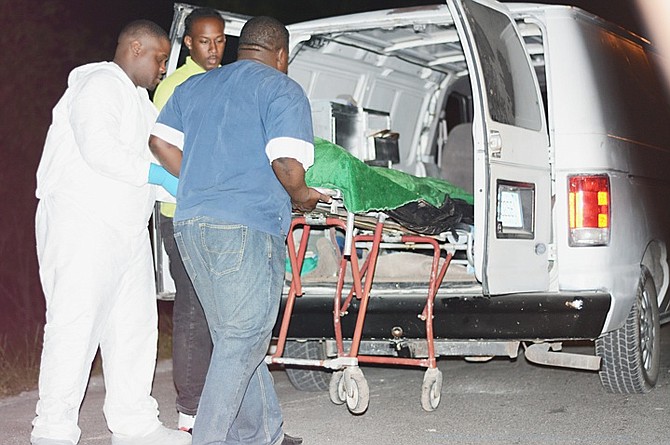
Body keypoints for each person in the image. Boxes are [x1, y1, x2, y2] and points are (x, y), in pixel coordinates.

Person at [149, 16, 330, 445]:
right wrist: (303, 196)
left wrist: (198, 179)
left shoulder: (194, 86)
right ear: (281, 54)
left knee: (234, 336)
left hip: (189, 222)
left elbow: (159, 140)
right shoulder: (281, 88)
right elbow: (287, 165)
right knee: (245, 337)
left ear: (238, 46)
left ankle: (263, 433)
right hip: (245, 225)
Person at [32, 20, 189, 445]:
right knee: (75, 325)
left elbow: (152, 166)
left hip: (127, 229)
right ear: (135, 47)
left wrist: (182, 183)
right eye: (158, 58)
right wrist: (158, 173)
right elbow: (99, 150)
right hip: (82, 223)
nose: (162, 68)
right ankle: (53, 430)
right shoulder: (100, 81)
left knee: (135, 329)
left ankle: (134, 424)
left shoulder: (142, 102)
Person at [152, 7, 226, 434]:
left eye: (219, 40)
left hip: (216, 213)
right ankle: (190, 411)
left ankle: (216, 402)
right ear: (187, 43)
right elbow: (160, 148)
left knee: (219, 309)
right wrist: (201, 184)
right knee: (194, 309)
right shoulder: (174, 87)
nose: (213, 49)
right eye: (203, 41)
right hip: (180, 213)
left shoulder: (223, 79)